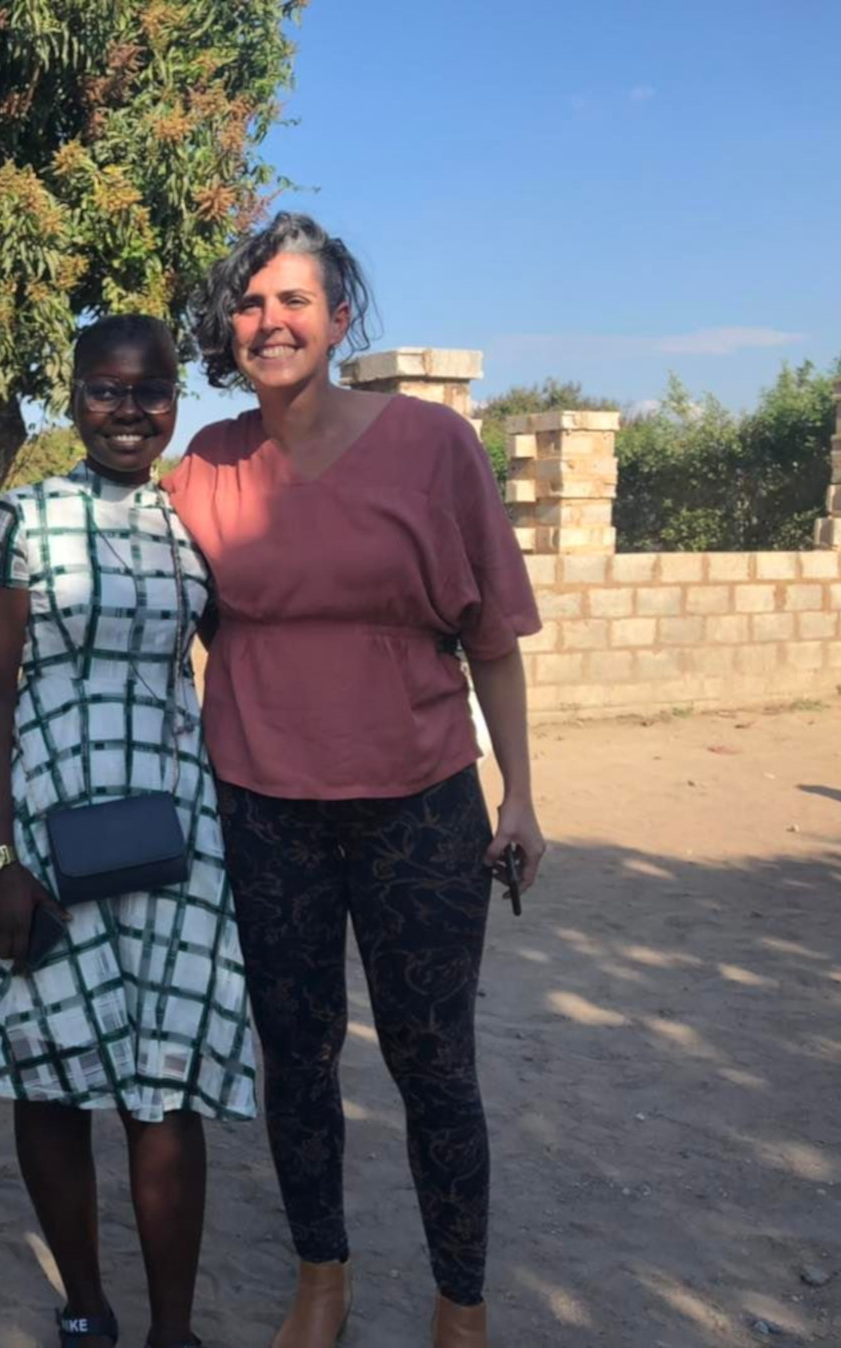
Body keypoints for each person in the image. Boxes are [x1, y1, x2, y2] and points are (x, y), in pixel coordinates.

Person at [164, 213, 548, 1348]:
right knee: (297, 1056)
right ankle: (320, 1275)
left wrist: (519, 793)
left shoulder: (433, 448)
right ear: (229, 328)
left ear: (339, 318)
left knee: (437, 1063)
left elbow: (492, 639)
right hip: (263, 809)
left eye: (294, 301)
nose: (269, 321)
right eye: (250, 303)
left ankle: (459, 1301)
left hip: (421, 805)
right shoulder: (206, 467)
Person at [0, 314, 257, 1348]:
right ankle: (85, 1304)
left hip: (173, 831)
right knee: (50, 1068)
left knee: (165, 1087)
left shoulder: (191, 524)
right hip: (43, 824)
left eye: (152, 391)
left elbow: (256, 655)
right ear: (73, 397)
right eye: (107, 391)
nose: (130, 411)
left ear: (176, 399)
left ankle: (174, 1327)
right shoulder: (22, 517)